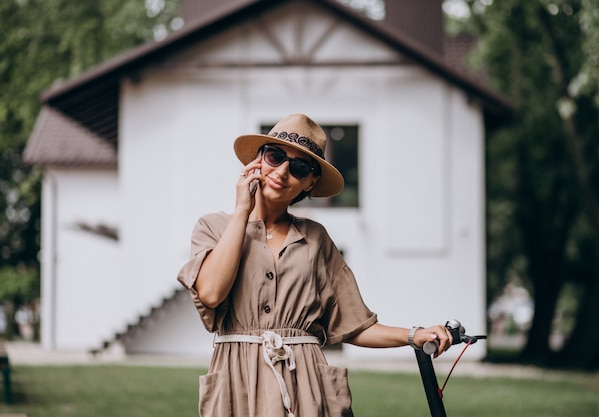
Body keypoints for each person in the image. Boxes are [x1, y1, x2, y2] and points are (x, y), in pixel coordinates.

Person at [177, 113, 452, 417]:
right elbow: (211, 293)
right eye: (274, 156)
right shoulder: (213, 227)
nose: (281, 172)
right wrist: (243, 209)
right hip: (238, 383)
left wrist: (415, 335)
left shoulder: (316, 239)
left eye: (298, 168)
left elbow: (353, 326)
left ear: (310, 182)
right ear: (257, 160)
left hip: (304, 384)